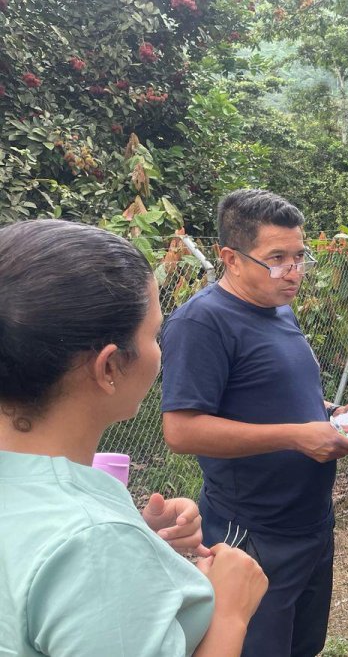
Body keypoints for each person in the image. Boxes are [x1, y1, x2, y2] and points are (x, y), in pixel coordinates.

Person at [0, 219, 267, 656]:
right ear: (109, 367)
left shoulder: (83, 531)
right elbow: (82, 557)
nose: (160, 351)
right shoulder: (92, 543)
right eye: (154, 334)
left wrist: (139, 540)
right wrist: (231, 611)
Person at [161, 189, 348, 656]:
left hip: (310, 523)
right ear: (230, 258)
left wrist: (333, 415)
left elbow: (277, 397)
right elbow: (181, 430)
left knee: (303, 647)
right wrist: (297, 437)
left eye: (299, 257)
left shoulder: (278, 309)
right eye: (276, 259)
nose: (293, 272)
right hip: (251, 532)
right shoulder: (202, 323)